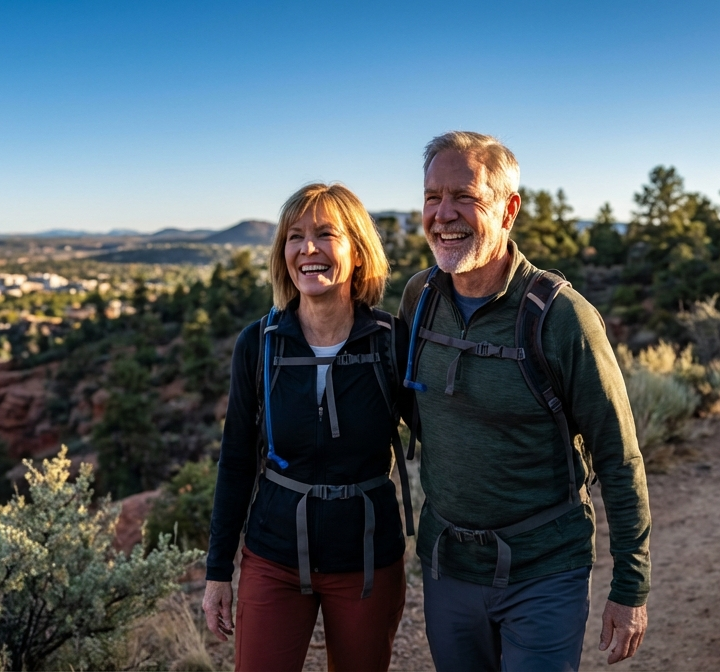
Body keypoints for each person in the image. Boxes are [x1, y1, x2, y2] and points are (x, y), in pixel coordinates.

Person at [402, 131, 651, 670]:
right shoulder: (419, 298)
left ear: (509, 208)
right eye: (431, 197)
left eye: (464, 196)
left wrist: (631, 586)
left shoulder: (563, 318)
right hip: (448, 568)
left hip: (544, 570)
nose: (443, 214)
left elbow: (618, 454)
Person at [203, 182, 414, 672]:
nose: (308, 249)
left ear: (358, 252)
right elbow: (236, 460)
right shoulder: (259, 344)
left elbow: (446, 441)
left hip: (366, 558)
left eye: (325, 234)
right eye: (295, 237)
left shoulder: (391, 343)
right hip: (273, 554)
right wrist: (217, 572)